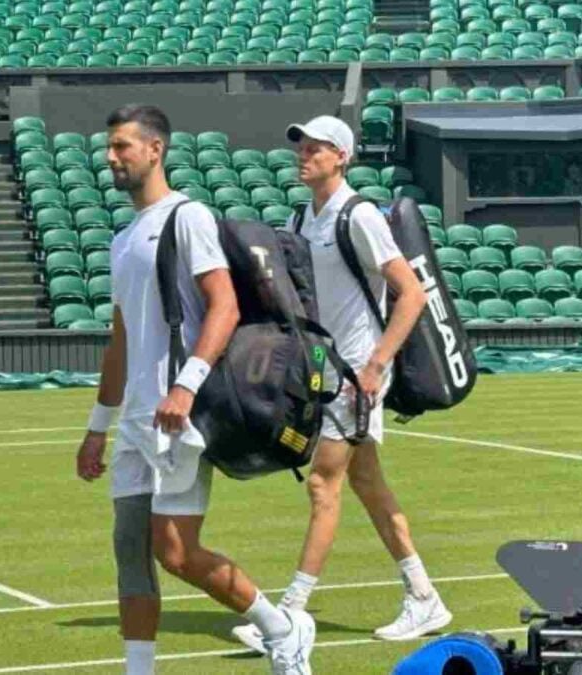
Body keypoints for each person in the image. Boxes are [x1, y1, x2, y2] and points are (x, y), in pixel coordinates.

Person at [76, 104, 316, 675]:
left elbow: (224, 305)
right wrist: (96, 427)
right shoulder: (122, 238)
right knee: (129, 553)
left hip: (176, 419)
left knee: (177, 552)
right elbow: (121, 340)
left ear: (154, 149)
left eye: (122, 147)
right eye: (110, 148)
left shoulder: (188, 217)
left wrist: (185, 387)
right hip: (136, 419)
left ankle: (281, 631)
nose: (111, 158)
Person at [232, 115, 452, 652]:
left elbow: (412, 294)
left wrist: (376, 366)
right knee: (367, 485)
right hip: (325, 370)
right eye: (302, 146)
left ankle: (288, 616)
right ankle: (424, 596)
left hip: (358, 373)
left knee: (321, 484)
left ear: (343, 157)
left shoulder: (359, 216)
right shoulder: (301, 216)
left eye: (317, 147)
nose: (304, 153)